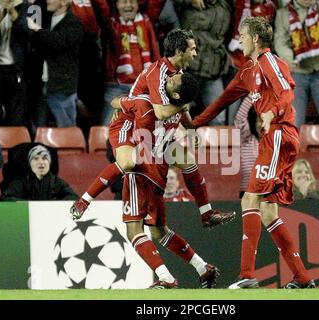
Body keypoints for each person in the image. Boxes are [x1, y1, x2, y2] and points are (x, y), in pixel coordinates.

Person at [193, 17, 315, 289]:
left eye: (243, 35)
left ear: (256, 38)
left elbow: (286, 92)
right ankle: (303, 278)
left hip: (280, 134)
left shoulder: (270, 62)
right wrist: (195, 122)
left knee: (249, 200)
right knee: (269, 212)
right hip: (273, 139)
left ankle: (247, 275)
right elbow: (223, 99)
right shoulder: (247, 71)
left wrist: (272, 111)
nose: (240, 40)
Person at [70, 29, 236, 229]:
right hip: (129, 124)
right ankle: (84, 201)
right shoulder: (158, 73)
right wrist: (184, 105)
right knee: (127, 162)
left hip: (154, 130)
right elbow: (161, 112)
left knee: (187, 162)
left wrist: (191, 128)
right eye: (192, 49)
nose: (195, 54)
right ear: (178, 51)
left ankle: (207, 214)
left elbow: (177, 107)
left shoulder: (178, 73)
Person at [73, 77, 221, 289]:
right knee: (160, 231)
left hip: (141, 170)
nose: (168, 78)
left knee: (134, 231)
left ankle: (167, 279)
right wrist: (191, 130)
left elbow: (115, 102)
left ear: (176, 93)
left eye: (173, 79)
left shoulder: (147, 105)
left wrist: (125, 107)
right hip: (159, 170)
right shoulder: (178, 107)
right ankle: (202, 266)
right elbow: (183, 116)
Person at [274, 0, 319, 127]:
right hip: (297, 72)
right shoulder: (283, 14)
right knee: (294, 122)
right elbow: (280, 41)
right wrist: (290, 60)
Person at [101, 0, 161, 125]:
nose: (128, 5)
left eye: (132, 1)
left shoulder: (147, 20)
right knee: (108, 128)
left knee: (151, 129)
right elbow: (101, 5)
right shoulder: (111, 24)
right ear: (116, 5)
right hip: (117, 87)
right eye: (123, 2)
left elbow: (156, 2)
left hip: (145, 88)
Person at [27, 0, 84, 127]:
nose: (48, 0)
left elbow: (59, 42)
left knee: (66, 131)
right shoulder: (46, 21)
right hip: (41, 85)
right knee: (38, 130)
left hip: (62, 88)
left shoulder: (74, 23)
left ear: (64, 2)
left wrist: (37, 29)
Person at [0, 144, 78, 200]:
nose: (41, 162)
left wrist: (55, 205)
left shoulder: (56, 181)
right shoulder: (22, 181)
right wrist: (30, 205)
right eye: (36, 159)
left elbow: (73, 197)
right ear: (30, 163)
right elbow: (5, 198)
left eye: (44, 158)